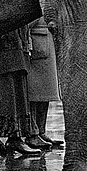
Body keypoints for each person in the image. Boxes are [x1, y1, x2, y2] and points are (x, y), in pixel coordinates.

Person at [0, 28, 41, 156]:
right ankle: (13, 138)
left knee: (2, 82)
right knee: (8, 82)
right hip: (4, 38)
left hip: (0, 39)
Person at [26, 17, 63, 149]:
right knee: (34, 94)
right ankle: (33, 133)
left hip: (46, 42)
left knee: (45, 95)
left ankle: (41, 131)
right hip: (37, 44)